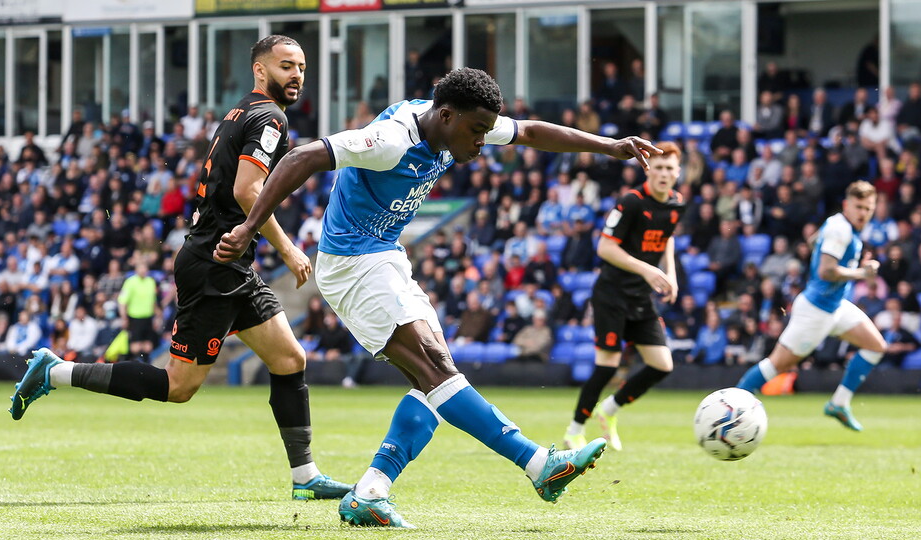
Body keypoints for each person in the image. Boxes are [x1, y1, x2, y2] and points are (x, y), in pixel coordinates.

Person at [215, 67, 660, 528]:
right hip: (352, 263)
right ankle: (538, 464)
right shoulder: (391, 139)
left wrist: (610, 146)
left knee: (435, 383)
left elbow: (529, 132)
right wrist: (249, 227)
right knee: (437, 369)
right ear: (446, 115)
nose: (482, 142)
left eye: (486, 131)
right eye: (477, 131)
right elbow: (302, 156)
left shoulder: (458, 121)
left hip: (385, 256)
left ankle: (371, 491)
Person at [9, 35, 351, 502]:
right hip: (217, 265)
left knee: (290, 359)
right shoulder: (271, 117)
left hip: (227, 263)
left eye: (301, 67)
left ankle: (305, 477)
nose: (296, 75)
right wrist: (290, 249)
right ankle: (55, 371)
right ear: (260, 70)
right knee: (178, 385)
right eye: (286, 66)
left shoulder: (239, 113)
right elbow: (247, 190)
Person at [562, 141, 684, 451]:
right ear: (648, 170)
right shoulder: (630, 202)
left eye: (669, 168)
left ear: (677, 173)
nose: (663, 173)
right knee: (608, 365)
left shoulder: (676, 203)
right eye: (658, 167)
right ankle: (575, 430)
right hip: (612, 295)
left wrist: (670, 273)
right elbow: (604, 248)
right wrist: (647, 269)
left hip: (640, 298)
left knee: (662, 365)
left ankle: (610, 409)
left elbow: (667, 238)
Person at [736, 181, 887, 431]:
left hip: (835, 306)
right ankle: (733, 403)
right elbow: (826, 270)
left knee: (876, 346)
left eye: (868, 209)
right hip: (816, 311)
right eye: (859, 207)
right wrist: (862, 273)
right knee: (777, 365)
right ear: (846, 205)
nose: (863, 213)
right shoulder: (841, 230)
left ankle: (839, 404)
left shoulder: (837, 223)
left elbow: (812, 241)